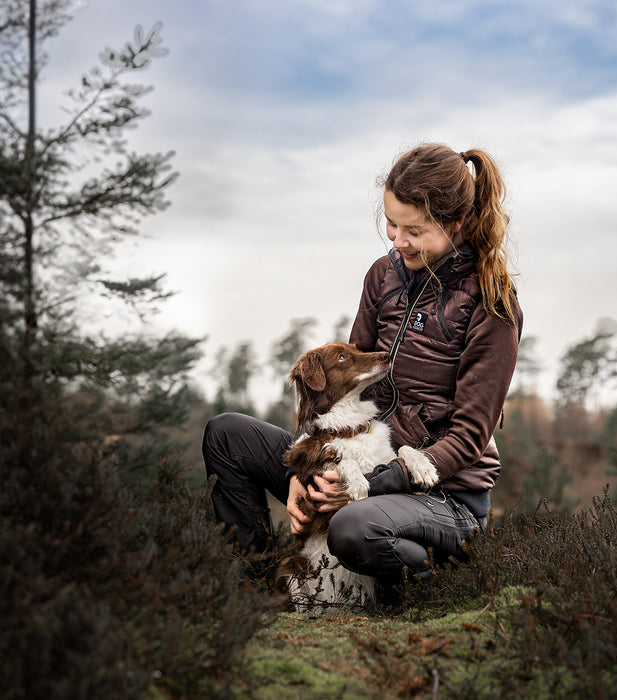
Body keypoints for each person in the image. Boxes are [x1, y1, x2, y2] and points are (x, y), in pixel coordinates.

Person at [202, 143, 523, 590]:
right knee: (227, 435)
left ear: (457, 224)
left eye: (414, 230)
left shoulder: (492, 304)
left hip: (441, 496)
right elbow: (347, 389)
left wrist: (367, 486)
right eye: (392, 224)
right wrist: (307, 472)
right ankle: (255, 592)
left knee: (351, 529)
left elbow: (469, 437)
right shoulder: (382, 276)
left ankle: (436, 581)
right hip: (358, 459)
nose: (397, 240)